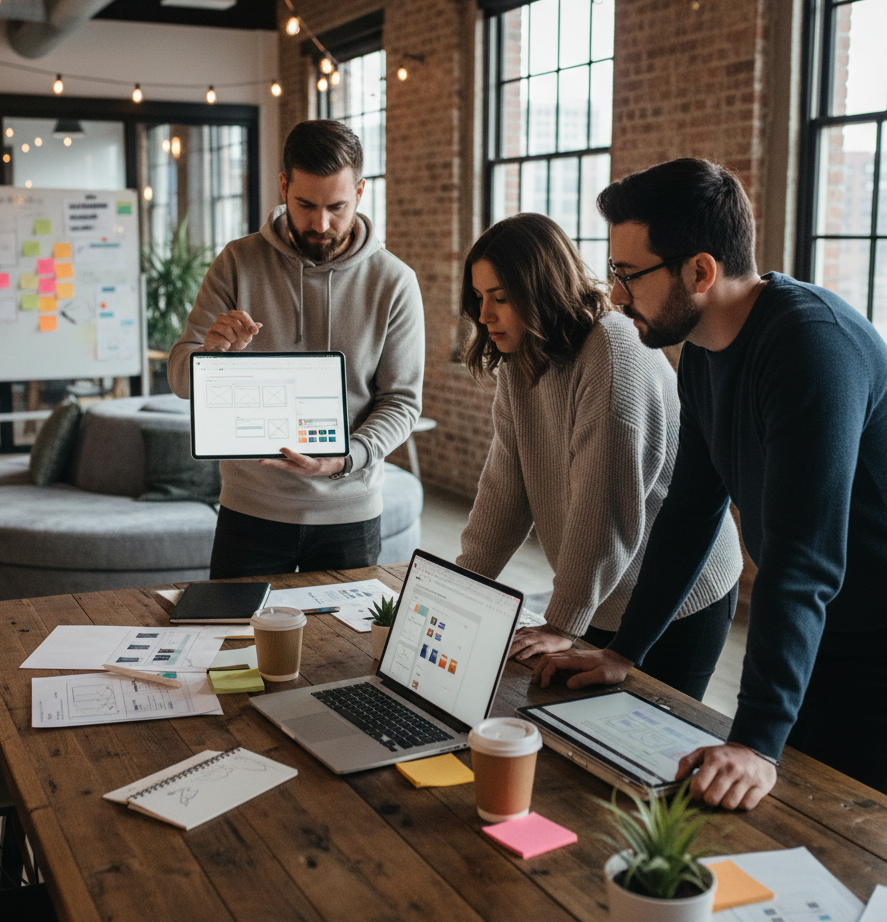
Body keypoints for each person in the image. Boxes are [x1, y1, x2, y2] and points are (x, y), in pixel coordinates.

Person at [534, 157, 887, 810]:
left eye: (630, 274)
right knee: (787, 807)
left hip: (874, 637)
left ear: (700, 270)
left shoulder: (810, 347)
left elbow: (801, 561)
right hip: (825, 628)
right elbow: (692, 513)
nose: (615, 296)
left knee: (854, 829)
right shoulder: (702, 354)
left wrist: (754, 739)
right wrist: (627, 655)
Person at [456, 213, 742, 700]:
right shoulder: (521, 357)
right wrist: (459, 590)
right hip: (606, 592)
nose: (485, 315)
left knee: (648, 748)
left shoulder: (612, 349)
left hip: (680, 598)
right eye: (479, 298)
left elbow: (605, 506)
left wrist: (561, 621)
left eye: (501, 298)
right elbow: (504, 489)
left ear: (541, 289)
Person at [168, 119, 424, 577]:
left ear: (361, 192)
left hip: (350, 511)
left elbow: (402, 402)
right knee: (234, 644)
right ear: (283, 186)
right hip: (250, 511)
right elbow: (181, 382)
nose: (320, 224)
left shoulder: (395, 282)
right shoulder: (236, 263)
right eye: (305, 205)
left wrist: (348, 457)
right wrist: (211, 352)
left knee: (346, 649)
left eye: (337, 207)